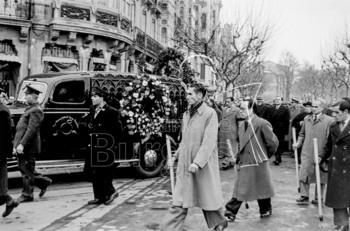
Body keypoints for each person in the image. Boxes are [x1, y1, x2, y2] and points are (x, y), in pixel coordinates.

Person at [161, 83, 227, 231]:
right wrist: (175, 156)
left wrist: (197, 163)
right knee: (180, 200)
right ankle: (167, 228)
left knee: (206, 196)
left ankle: (219, 222)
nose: (187, 97)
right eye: (187, 94)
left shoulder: (210, 113)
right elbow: (184, 140)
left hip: (202, 165)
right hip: (185, 163)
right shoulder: (186, 114)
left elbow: (209, 141)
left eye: (190, 94)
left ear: (200, 95)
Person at [224, 99, 279, 222]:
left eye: (243, 108)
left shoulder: (262, 123)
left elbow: (273, 143)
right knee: (241, 186)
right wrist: (237, 157)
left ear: (251, 109)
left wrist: (264, 155)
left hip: (258, 160)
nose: (240, 111)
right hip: (245, 161)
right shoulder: (242, 124)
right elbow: (242, 144)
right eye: (240, 108)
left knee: (262, 186)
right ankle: (231, 211)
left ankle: (265, 209)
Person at [14, 85, 52, 203]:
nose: (25, 97)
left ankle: (27, 194)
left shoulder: (36, 110)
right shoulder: (30, 108)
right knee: (25, 168)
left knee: (26, 171)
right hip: (23, 145)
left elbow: (31, 129)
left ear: (34, 96)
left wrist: (22, 144)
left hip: (28, 146)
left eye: (27, 95)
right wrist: (17, 144)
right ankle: (44, 182)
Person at [292, 98, 333, 205]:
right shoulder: (306, 118)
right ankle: (304, 196)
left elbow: (330, 139)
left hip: (321, 151)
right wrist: (298, 143)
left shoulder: (329, 121)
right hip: (306, 150)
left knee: (321, 175)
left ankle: (318, 197)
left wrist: (326, 153)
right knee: (304, 173)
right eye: (312, 106)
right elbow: (302, 134)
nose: (313, 109)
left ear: (322, 108)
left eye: (316, 107)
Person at [86, 87, 122, 205]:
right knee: (94, 172)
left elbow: (117, 131)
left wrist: (111, 146)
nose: (92, 98)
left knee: (104, 171)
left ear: (101, 98)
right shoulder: (94, 110)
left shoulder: (111, 111)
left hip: (105, 147)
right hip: (94, 145)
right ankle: (99, 196)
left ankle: (111, 192)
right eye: (92, 96)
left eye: (95, 96)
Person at [319, 100, 350, 231]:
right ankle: (342, 223)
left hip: (349, 166)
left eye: (337, 112)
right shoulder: (333, 126)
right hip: (337, 166)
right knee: (337, 196)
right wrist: (321, 157)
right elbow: (329, 145)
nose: (334, 115)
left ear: (346, 112)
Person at [0, 88, 19, 217]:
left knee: (1, 179)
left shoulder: (2, 111)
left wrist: (7, 151)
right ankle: (9, 201)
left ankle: (8, 200)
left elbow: (6, 134)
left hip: (0, 151)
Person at [218, 97, 240, 170]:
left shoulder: (237, 110)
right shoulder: (224, 109)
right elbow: (222, 119)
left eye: (228, 102)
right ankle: (228, 161)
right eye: (226, 102)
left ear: (232, 102)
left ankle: (229, 162)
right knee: (225, 148)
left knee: (231, 148)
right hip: (223, 132)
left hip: (232, 132)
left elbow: (239, 123)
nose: (226, 103)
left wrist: (239, 133)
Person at [270, 96, 291, 165]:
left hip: (281, 130)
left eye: (278, 100)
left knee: (280, 143)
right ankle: (277, 156)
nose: (277, 101)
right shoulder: (271, 108)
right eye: (276, 99)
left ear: (281, 101)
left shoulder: (285, 109)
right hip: (273, 129)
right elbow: (269, 118)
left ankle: (278, 157)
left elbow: (287, 121)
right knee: (274, 143)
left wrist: (286, 131)